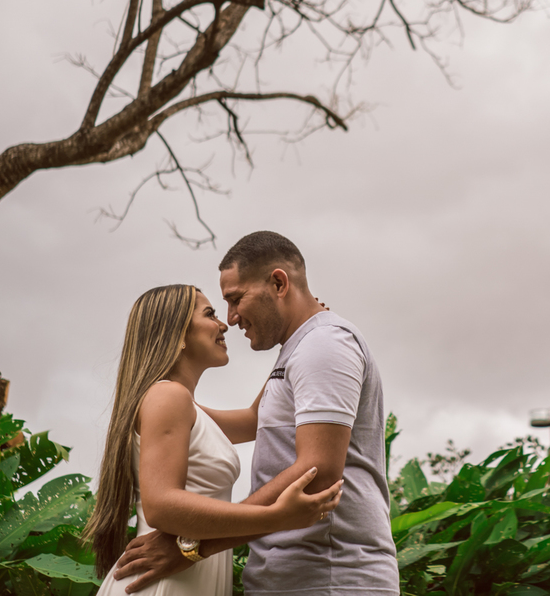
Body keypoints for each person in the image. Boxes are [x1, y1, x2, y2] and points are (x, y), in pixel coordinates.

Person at [115, 231, 400, 596]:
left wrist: (193, 547)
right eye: (218, 309)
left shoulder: (323, 344)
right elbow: (249, 420)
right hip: (291, 577)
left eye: (235, 300)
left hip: (330, 576)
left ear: (279, 283)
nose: (230, 319)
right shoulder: (302, 348)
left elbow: (318, 473)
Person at [86, 284, 343, 596]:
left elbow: (256, 418)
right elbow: (161, 506)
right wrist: (275, 516)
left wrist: (300, 336)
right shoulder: (168, 397)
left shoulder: (181, 406)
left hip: (182, 577)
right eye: (210, 314)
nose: (224, 325)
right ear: (176, 334)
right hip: (163, 584)